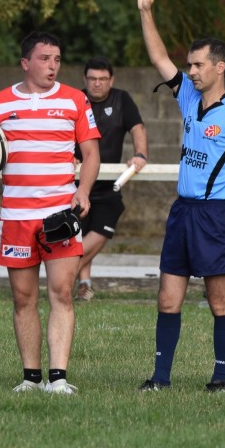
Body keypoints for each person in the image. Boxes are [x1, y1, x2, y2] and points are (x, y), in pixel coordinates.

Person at [136, 0, 225, 392]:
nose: (190, 71)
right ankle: (160, 379)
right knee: (167, 299)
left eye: (197, 65)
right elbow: (160, 58)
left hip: (215, 215)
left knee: (219, 300)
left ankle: (219, 378)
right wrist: (146, 11)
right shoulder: (188, 96)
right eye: (190, 65)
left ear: (219, 67)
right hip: (183, 211)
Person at [0, 31, 101, 395]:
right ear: (25, 63)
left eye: (57, 59)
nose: (52, 65)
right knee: (23, 299)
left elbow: (91, 154)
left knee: (62, 293)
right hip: (16, 217)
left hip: (59, 215)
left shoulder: (75, 99)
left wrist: (83, 190)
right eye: (44, 58)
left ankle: (58, 378)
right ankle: (30, 378)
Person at [74, 57, 149, 301]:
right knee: (79, 234)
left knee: (100, 231)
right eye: (92, 79)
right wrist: (66, 157)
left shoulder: (121, 99)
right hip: (77, 184)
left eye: (102, 79)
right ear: (85, 79)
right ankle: (84, 284)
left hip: (108, 186)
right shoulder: (75, 99)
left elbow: (138, 128)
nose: (97, 83)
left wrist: (140, 154)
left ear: (111, 80)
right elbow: (60, 132)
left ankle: (63, 272)